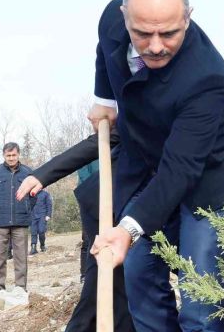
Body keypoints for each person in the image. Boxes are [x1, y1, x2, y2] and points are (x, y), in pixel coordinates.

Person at [85, 0, 224, 332]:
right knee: (139, 268)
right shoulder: (112, 18)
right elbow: (105, 51)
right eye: (142, 34)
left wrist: (127, 229)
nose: (156, 46)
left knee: (199, 284)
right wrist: (104, 100)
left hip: (210, 172)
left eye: (169, 33)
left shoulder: (205, 75)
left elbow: (181, 170)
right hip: (153, 165)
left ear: (188, 18)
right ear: (125, 15)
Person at [17, 129, 135, 332]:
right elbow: (96, 142)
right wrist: (44, 174)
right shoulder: (147, 111)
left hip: (139, 205)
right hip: (107, 204)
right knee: (111, 280)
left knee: (121, 283)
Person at [0, 142, 32, 292]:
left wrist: (26, 208)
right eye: (8, 155)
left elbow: (33, 195)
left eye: (14, 155)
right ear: (4, 155)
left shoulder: (28, 172)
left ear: (18, 155)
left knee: (21, 257)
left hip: (21, 222)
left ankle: (21, 287)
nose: (11, 158)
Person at [30, 189, 52, 255]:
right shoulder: (31, 194)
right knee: (33, 231)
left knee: (41, 231)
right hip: (33, 215)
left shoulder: (45, 194)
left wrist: (48, 215)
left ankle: (42, 245)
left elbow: (49, 205)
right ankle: (33, 248)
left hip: (42, 215)